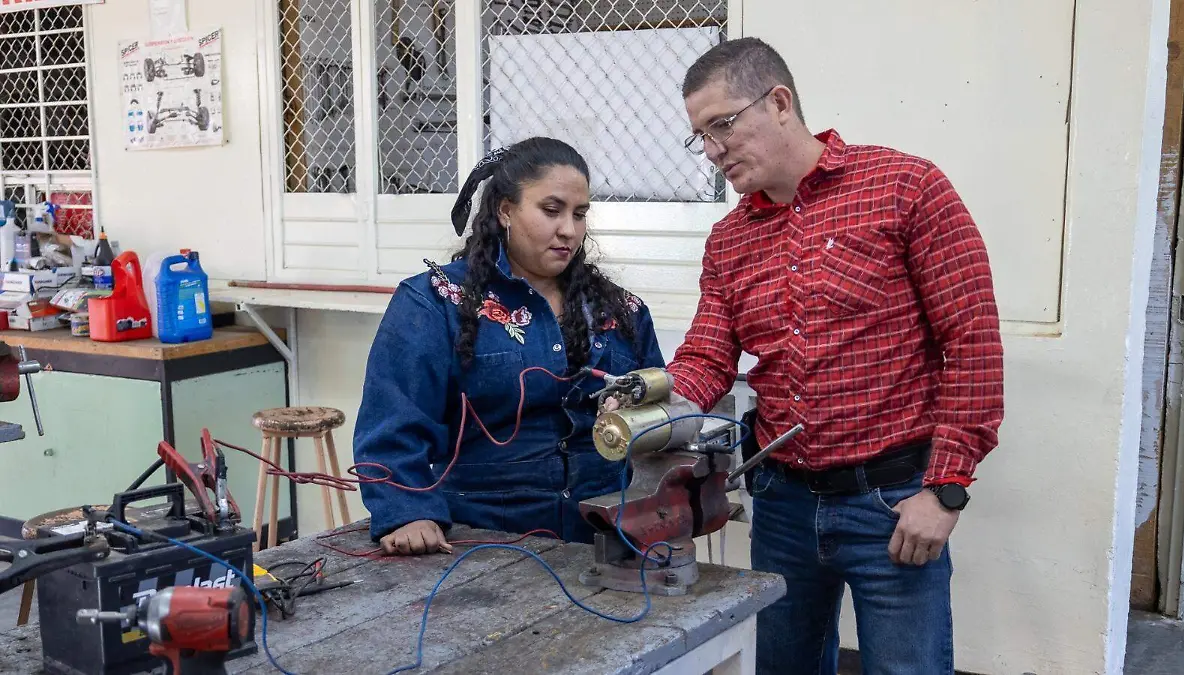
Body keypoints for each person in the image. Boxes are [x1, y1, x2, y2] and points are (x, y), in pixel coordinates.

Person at [666, 38, 1005, 674]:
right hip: (783, 504)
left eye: (721, 125)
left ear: (779, 102)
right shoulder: (729, 239)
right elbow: (707, 358)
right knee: (781, 666)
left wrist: (945, 491)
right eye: (699, 136)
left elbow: (972, 344)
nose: (712, 151)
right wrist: (651, 400)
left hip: (894, 504)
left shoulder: (905, 188)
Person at [352, 137, 665, 556]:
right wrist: (407, 511)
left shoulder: (620, 311)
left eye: (580, 214)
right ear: (505, 211)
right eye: (551, 210)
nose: (569, 230)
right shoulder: (435, 303)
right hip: (481, 542)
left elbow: (658, 415)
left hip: (606, 537)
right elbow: (391, 424)